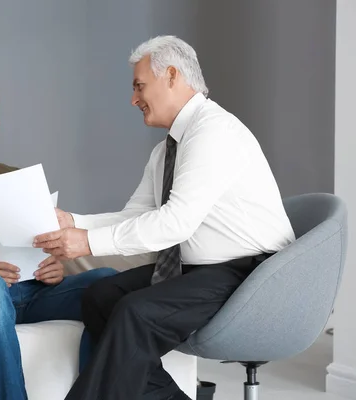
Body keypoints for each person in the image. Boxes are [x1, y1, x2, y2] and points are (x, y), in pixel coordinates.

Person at [33, 35, 296, 400]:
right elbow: (137, 216)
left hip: (252, 274)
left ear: (171, 76)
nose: (133, 99)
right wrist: (74, 223)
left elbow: (174, 223)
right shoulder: (167, 149)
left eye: (139, 86)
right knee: (100, 296)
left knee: (134, 313)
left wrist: (87, 242)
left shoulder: (213, 132)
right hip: (205, 268)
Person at [0, 78, 118, 400]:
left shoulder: (15, 178)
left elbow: (43, 242)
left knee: (109, 284)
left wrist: (54, 266)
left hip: (30, 292)